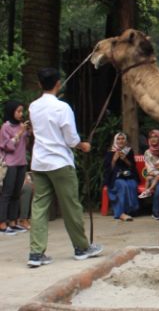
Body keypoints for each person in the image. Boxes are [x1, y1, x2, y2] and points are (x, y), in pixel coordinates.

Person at [27, 68, 103, 267]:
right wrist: (82, 145)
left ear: (39, 84)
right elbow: (71, 139)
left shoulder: (33, 107)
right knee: (71, 206)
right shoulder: (63, 108)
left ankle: (36, 253)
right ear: (58, 84)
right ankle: (81, 248)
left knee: (39, 207)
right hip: (60, 162)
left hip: (39, 162)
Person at [0, 100, 32, 235]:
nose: (20, 114)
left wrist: (29, 131)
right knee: (7, 194)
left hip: (21, 163)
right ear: (11, 111)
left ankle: (13, 222)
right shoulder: (5, 127)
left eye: (21, 111)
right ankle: (2, 223)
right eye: (18, 111)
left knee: (16, 194)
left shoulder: (21, 125)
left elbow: (26, 144)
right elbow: (7, 146)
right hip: (10, 163)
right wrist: (20, 133)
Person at [103, 132, 139, 222]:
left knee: (132, 184)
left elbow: (133, 166)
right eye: (118, 139)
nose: (120, 141)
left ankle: (130, 210)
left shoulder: (129, 151)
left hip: (128, 175)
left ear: (126, 140)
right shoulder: (110, 152)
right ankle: (120, 213)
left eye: (122, 138)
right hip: (115, 177)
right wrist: (114, 159)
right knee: (122, 185)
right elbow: (107, 169)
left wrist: (125, 159)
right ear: (115, 140)